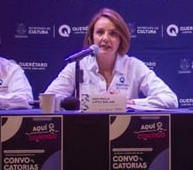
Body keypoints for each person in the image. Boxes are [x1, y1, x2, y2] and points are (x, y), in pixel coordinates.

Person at [43, 8, 178, 109]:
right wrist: (85, 104)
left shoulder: (134, 66)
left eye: (113, 34)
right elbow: (47, 102)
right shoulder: (78, 65)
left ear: (120, 39)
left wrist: (130, 103)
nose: (105, 38)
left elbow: (170, 99)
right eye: (100, 32)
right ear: (91, 38)